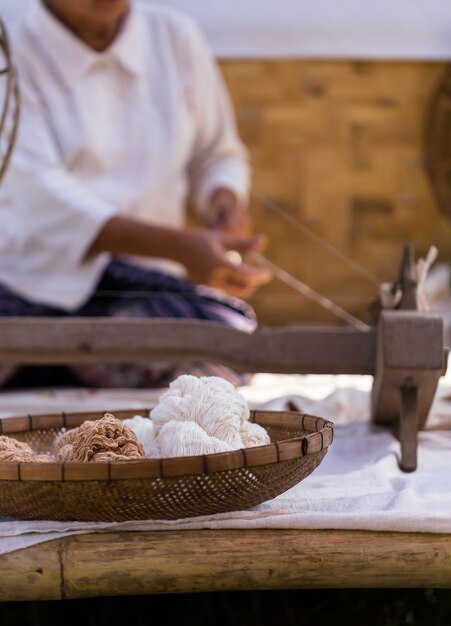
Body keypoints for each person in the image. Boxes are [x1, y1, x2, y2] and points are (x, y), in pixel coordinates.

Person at [0, 0, 272, 388]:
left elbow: (216, 153)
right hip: (30, 284)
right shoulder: (11, 54)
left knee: (224, 336)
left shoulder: (176, 39)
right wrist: (179, 246)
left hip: (144, 291)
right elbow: (39, 193)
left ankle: (47, 368)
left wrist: (222, 198)